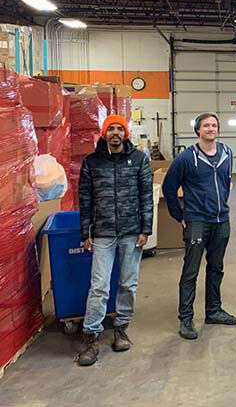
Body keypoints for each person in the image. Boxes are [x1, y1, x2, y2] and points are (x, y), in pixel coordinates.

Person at [76, 115, 153, 366]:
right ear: (104, 133)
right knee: (99, 286)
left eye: (120, 128)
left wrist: (146, 229)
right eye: (111, 129)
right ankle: (91, 336)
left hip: (132, 233)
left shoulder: (140, 160)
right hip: (102, 233)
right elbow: (85, 200)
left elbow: (146, 196)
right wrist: (85, 233)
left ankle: (121, 329)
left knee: (128, 284)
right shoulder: (92, 162)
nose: (116, 133)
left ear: (126, 133)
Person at [163, 112, 236, 340]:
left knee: (216, 268)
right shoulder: (186, 158)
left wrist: (222, 205)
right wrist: (180, 216)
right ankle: (186, 318)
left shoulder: (226, 153)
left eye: (214, 125)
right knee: (191, 271)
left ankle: (213, 310)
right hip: (197, 221)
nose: (210, 128)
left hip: (221, 220)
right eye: (206, 125)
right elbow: (169, 188)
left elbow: (226, 181)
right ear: (198, 130)